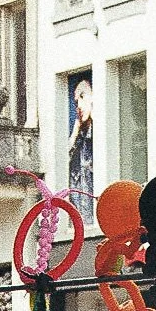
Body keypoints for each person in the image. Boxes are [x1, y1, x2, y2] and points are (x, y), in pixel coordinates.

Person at [68, 78, 94, 227]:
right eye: (76, 101)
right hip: (82, 220)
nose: (79, 106)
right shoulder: (80, 138)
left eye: (83, 97)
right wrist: (76, 129)